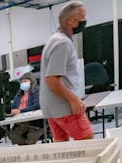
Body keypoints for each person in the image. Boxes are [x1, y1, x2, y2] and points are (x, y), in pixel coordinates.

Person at [40, 1, 93, 142]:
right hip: (65, 106)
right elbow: (51, 80)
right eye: (81, 18)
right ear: (70, 20)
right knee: (87, 141)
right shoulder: (63, 43)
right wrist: (73, 99)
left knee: (62, 147)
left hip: (52, 108)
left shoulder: (54, 39)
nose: (84, 21)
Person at [8, 73, 44, 145]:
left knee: (31, 138)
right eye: (22, 82)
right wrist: (14, 111)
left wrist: (21, 111)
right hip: (21, 122)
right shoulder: (19, 94)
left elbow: (36, 106)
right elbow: (13, 106)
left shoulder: (37, 92)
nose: (23, 83)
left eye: (25, 81)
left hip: (35, 122)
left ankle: (29, 151)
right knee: (14, 136)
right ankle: (25, 151)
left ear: (32, 81)